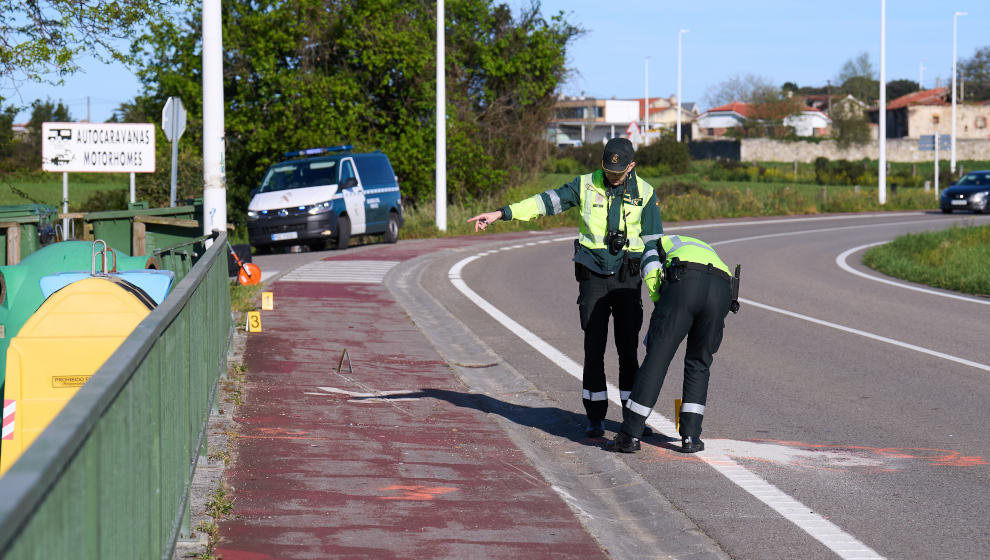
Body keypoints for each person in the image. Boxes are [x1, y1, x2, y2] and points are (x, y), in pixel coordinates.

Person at [468, 138, 663, 438]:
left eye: (618, 171)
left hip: (628, 277)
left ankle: (632, 419)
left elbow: (653, 245)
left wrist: (658, 291)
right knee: (593, 349)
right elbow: (545, 202)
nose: (612, 175)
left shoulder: (646, 193)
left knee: (628, 351)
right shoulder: (585, 185)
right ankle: (595, 417)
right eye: (608, 169)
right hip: (593, 277)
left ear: (631, 166)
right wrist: (501, 213)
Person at [604, 234, 740, 454]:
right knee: (699, 363)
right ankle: (691, 437)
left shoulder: (654, 244)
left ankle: (630, 435)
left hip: (685, 283)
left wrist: (661, 303)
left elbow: (650, 272)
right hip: (721, 289)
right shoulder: (701, 247)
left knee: (657, 358)